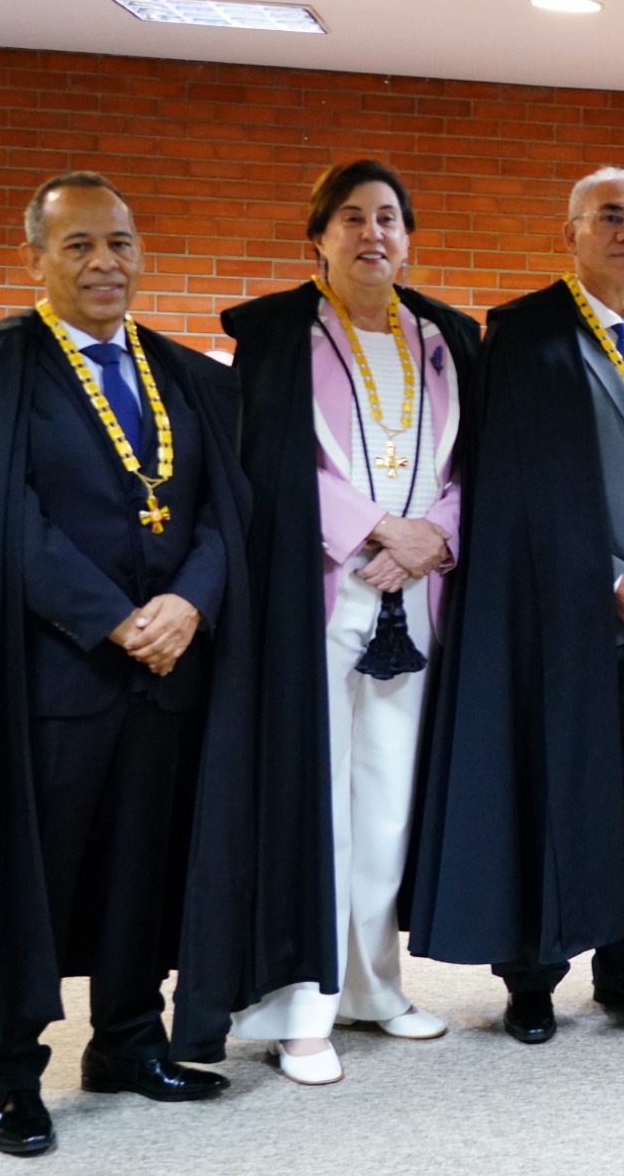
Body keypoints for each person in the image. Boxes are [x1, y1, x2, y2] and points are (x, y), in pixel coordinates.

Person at [0, 173, 326, 1157]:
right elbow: (2, 520)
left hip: (170, 670)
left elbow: (223, 510)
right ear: (36, 258)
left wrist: (189, 600)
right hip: (53, 677)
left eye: (120, 242)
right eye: (78, 246)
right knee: (29, 876)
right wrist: (113, 618)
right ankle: (12, 1073)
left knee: (142, 870)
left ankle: (128, 1040)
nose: (105, 262)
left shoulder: (189, 374)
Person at [405, 167, 624, 1046]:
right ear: (572, 232)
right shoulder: (525, 338)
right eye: (609, 216)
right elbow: (512, 490)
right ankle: (535, 975)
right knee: (553, 788)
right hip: (565, 615)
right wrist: (607, 575)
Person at [220, 161, 477, 1084]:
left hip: (415, 595)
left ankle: (373, 985)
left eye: (389, 220)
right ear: (317, 237)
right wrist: (374, 530)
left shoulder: (444, 338)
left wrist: (430, 540)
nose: (373, 234)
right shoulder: (281, 335)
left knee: (387, 805)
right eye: (353, 218)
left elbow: (467, 472)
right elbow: (268, 457)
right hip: (322, 594)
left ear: (409, 238)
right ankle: (300, 1006)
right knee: (315, 802)